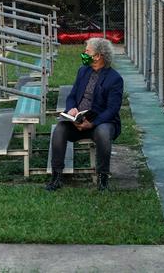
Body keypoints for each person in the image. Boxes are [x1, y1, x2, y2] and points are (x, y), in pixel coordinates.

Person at [46, 38, 124, 192]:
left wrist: (93, 123)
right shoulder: (83, 71)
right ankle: (56, 176)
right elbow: (72, 96)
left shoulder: (115, 79)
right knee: (59, 130)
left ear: (98, 56)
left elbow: (112, 109)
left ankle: (103, 179)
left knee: (103, 133)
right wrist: (72, 109)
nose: (84, 54)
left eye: (87, 51)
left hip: (101, 122)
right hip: (78, 120)